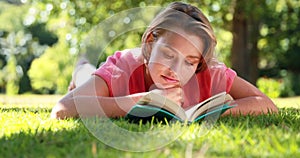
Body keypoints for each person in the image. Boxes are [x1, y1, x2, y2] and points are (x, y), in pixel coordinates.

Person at [51, 2, 278, 120]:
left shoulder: (210, 72)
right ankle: (81, 68)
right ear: (150, 41)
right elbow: (62, 110)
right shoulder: (123, 67)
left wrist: (218, 112)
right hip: (106, 77)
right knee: (85, 75)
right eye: (169, 55)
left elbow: (267, 105)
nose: (176, 71)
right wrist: (142, 101)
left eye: (190, 61)